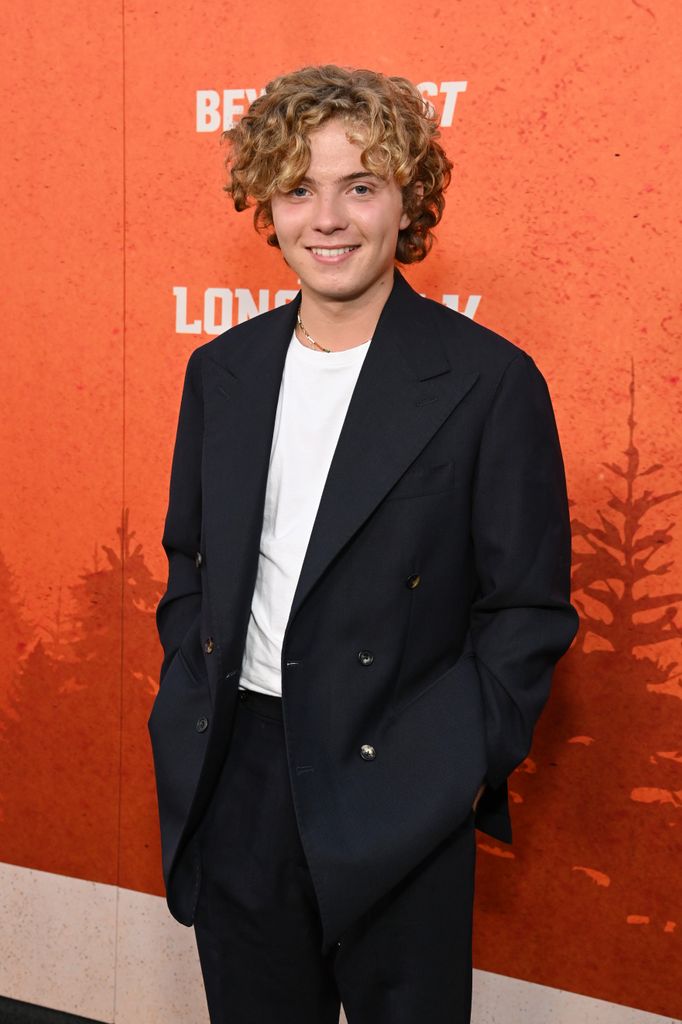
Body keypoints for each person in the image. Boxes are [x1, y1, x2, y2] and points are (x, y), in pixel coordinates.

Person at [149, 63, 579, 1024]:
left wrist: (454, 762)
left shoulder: (488, 381)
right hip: (242, 771)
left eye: (360, 185)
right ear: (268, 204)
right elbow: (194, 562)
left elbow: (527, 609)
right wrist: (188, 690)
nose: (328, 218)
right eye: (300, 187)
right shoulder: (222, 370)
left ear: (407, 201)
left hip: (401, 772)